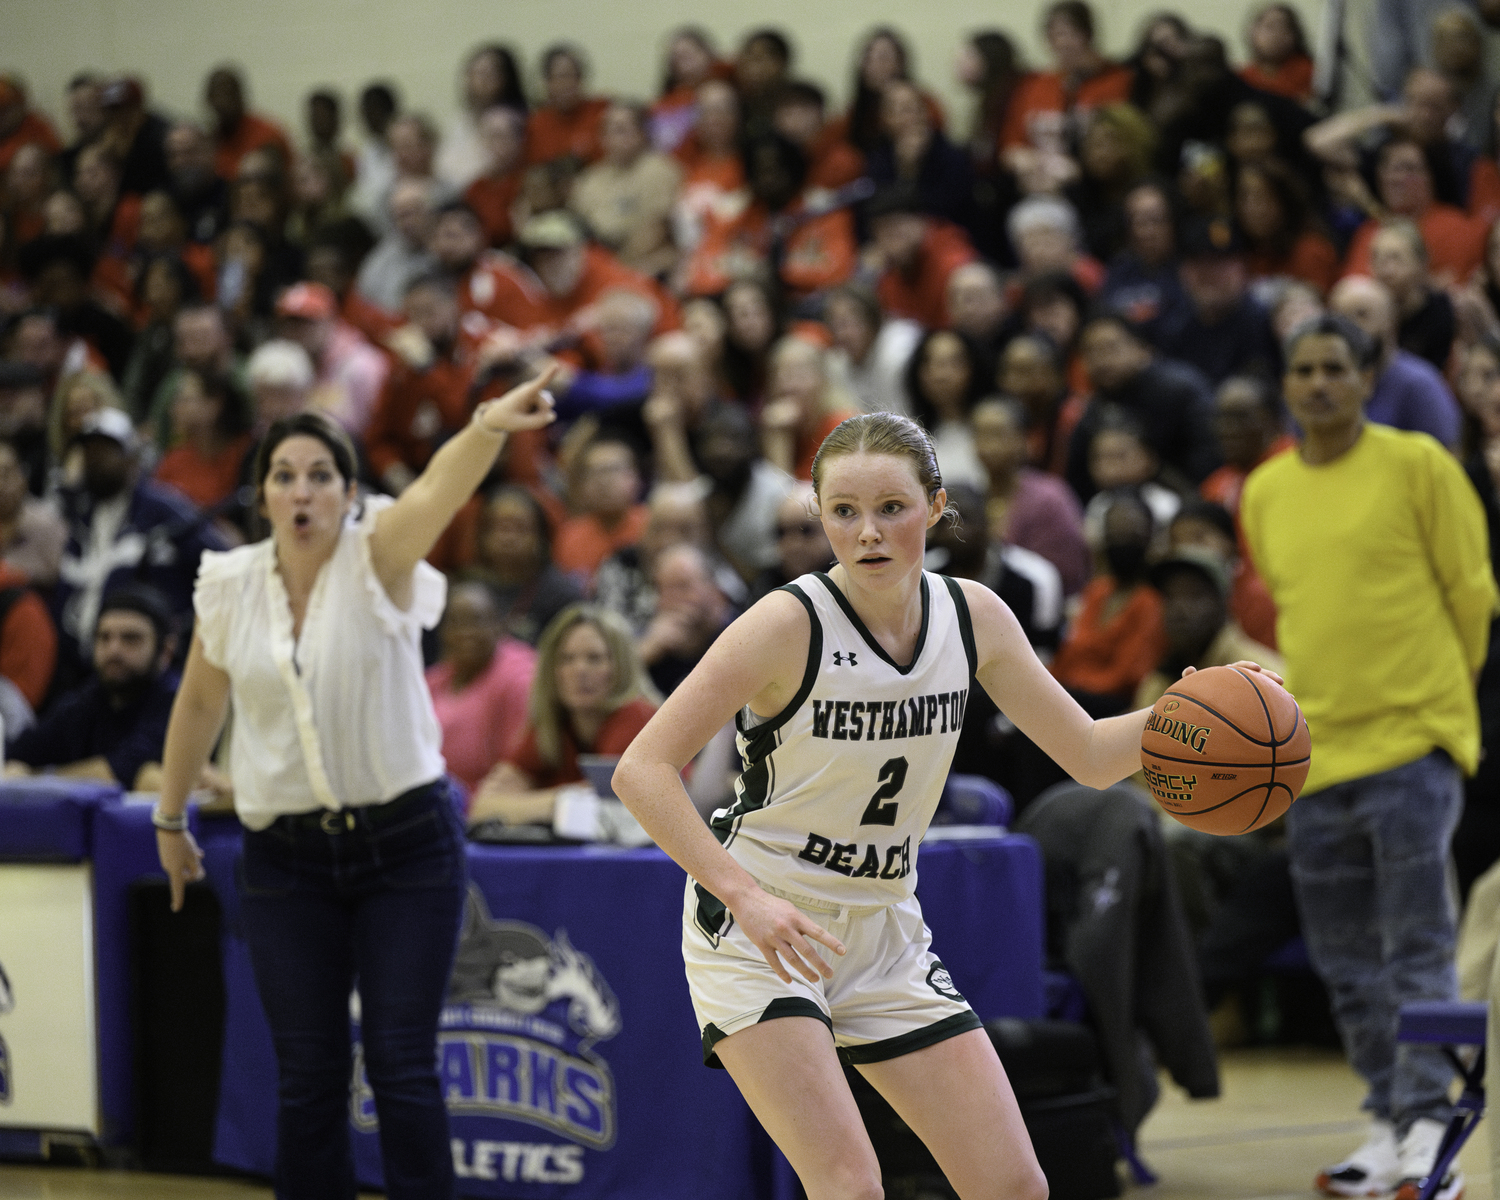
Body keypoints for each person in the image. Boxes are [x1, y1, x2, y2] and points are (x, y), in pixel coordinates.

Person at [611, 410, 1272, 1200]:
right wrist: (744, 897)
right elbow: (642, 770)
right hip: (763, 925)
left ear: (935, 505)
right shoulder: (785, 624)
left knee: (1015, 1185)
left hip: (884, 926)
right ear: (819, 516)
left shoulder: (974, 616)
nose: (868, 533)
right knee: (850, 1185)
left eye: (891, 507)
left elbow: (1091, 754)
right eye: (843, 512)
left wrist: (1193, 715)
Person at [152, 369, 558, 1199]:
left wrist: (485, 423)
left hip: (405, 846)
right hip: (283, 861)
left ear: (349, 491)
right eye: (284, 475)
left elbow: (441, 489)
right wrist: (169, 816)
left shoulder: (380, 555)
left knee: (402, 1067)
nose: (302, 492)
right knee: (307, 1076)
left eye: (321, 475)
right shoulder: (228, 587)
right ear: (261, 492)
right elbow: (199, 699)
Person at [1241, 313, 1496, 1200]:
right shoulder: (1265, 492)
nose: (1318, 383)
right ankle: (1389, 1123)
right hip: (1312, 758)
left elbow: (1473, 595)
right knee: (1346, 962)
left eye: (1335, 369)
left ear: (1365, 377)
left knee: (1419, 949)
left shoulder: (1421, 465)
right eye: (1303, 369)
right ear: (1287, 383)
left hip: (1414, 745)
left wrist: (1441, 709)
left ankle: (1437, 1131)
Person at [468, 603, 657, 827]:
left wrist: (525, 803)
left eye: (594, 658)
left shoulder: (639, 716)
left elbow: (605, 802)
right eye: (566, 659)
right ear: (552, 670)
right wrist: (564, 801)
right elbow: (482, 807)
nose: (580, 671)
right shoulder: (553, 724)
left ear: (621, 667)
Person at [7, 587, 171, 787]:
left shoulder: (177, 701)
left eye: (131, 639)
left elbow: (119, 771)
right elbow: (18, 754)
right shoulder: (89, 698)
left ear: (166, 650)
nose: (114, 650)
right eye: (104, 637)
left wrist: (31, 778)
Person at [425, 579, 537, 796]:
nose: (466, 632)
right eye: (455, 622)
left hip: (487, 808)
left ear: (499, 623)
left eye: (477, 621)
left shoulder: (519, 677)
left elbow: (514, 770)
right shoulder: (435, 679)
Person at [1329, 274, 1463, 448]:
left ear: (1390, 321)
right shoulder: (1323, 382)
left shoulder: (1419, 383)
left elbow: (1447, 456)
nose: (1349, 328)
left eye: (1361, 315)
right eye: (1341, 318)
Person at [568, 102, 683, 279]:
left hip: (646, 262)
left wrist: (617, 269)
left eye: (621, 130)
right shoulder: (589, 179)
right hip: (599, 263)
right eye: (607, 130)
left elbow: (656, 229)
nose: (612, 137)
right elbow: (577, 231)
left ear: (641, 134)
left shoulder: (660, 170)